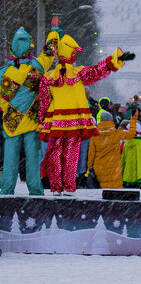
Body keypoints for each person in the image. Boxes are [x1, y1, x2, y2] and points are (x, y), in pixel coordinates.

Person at [37, 34, 133, 196]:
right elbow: (97, 71)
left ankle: (56, 187)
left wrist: (41, 120)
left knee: (56, 153)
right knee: (71, 154)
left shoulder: (48, 78)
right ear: (72, 56)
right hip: (75, 121)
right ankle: (68, 185)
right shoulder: (78, 74)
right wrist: (114, 59)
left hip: (56, 122)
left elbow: (44, 101)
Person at [0, 27, 53, 196]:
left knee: (10, 159)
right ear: (30, 49)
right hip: (32, 120)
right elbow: (50, 51)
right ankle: (35, 190)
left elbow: (1, 100)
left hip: (12, 121)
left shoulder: (3, 73)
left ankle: (7, 189)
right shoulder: (37, 67)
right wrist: (54, 29)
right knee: (33, 158)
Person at [88, 115, 132, 188]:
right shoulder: (116, 133)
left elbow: (91, 153)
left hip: (99, 165)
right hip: (115, 166)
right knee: (115, 187)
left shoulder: (95, 135)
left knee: (103, 188)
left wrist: (90, 166)